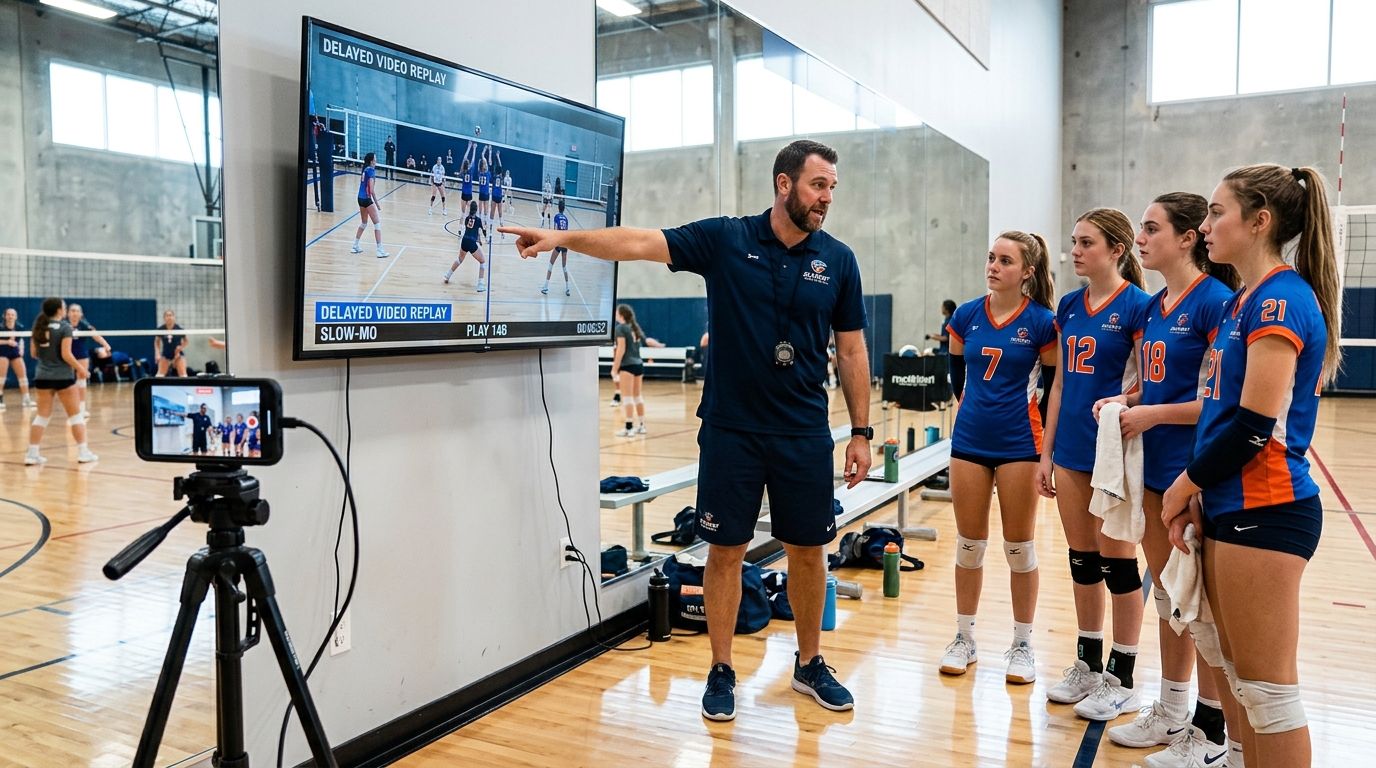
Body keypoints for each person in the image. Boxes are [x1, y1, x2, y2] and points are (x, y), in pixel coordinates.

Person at [502, 139, 872, 723]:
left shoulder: (839, 261)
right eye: (817, 185)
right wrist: (562, 238)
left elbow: (851, 351)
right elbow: (639, 243)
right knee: (725, 552)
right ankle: (721, 669)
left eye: (832, 187)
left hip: (802, 431)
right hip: (730, 430)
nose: (827, 197)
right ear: (784, 184)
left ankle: (809, 663)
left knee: (809, 552)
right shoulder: (726, 239)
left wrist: (862, 431)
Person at [1159, 166, 1340, 768]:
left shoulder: (1280, 299)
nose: (1206, 225)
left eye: (1217, 212)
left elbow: (1254, 426)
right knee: (1240, 681)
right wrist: (1199, 493)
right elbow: (1219, 414)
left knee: (1269, 696)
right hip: (1229, 502)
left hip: (1268, 506)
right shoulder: (1242, 299)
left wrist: (1184, 483)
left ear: (1260, 221)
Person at [1093, 193, 1240, 764]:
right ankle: (1173, 710)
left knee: (1198, 607)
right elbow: (1153, 383)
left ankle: (1210, 727)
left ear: (1186, 238)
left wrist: (1151, 415)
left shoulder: (1215, 303)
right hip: (1152, 471)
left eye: (1152, 229)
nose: (1141, 239)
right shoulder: (1156, 306)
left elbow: (1220, 401)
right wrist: (1125, 401)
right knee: (1168, 598)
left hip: (1193, 474)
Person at [1035, 207, 1150, 721]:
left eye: (1087, 243)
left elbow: (1148, 384)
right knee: (1082, 560)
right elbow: (1059, 385)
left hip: (1114, 454)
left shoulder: (1139, 306)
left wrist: (1123, 404)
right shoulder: (1068, 304)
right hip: (1070, 452)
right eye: (1075, 241)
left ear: (1116, 250)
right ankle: (1087, 663)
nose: (1075, 251)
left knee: (1118, 564)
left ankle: (1121, 678)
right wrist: (1046, 453)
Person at [938, 232, 1058, 686]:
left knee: (1019, 548)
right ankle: (964, 637)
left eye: (1005, 260)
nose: (993, 266)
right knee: (969, 545)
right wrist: (975, 410)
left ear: (1027, 271)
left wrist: (1044, 446)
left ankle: (1023, 644)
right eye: (991, 257)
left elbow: (1052, 389)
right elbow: (957, 376)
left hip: (1020, 444)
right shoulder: (966, 315)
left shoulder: (1042, 322)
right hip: (969, 441)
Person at [24, 297, 97, 465]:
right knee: (76, 416)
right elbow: (66, 354)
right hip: (63, 377)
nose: (65, 310)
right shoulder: (65, 327)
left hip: (42, 376)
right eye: (64, 308)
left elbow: (34, 354)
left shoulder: (38, 327)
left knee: (42, 416)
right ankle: (83, 452)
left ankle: (32, 454)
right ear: (59, 310)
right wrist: (81, 369)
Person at [66, 303, 110, 416]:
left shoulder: (84, 324)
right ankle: (71, 408)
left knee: (82, 381)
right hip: (67, 355)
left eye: (77, 311)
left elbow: (95, 335)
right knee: (68, 382)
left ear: (81, 314)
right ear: (68, 313)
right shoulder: (64, 325)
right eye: (73, 311)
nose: (75, 313)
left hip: (81, 355)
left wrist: (106, 345)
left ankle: (81, 408)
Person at [611, 304, 646, 436]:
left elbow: (621, 349)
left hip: (627, 365)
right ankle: (641, 425)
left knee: (627, 397)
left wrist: (615, 368)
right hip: (638, 364)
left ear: (621, 315)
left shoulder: (621, 328)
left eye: (617, 313)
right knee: (638, 396)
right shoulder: (634, 328)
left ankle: (629, 427)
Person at [444, 201, 488, 292]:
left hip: (464, 241)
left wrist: (479, 240)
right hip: (471, 243)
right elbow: (483, 230)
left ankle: (448, 275)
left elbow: (473, 230)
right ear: (476, 210)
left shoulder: (467, 219)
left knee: (459, 260)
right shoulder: (478, 220)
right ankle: (480, 284)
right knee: (482, 261)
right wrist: (486, 237)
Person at [351, 152, 388, 259]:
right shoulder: (371, 170)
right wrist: (377, 203)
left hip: (360, 198)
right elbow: (371, 190)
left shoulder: (365, 169)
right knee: (377, 224)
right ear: (371, 161)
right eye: (375, 159)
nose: (376, 161)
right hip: (367, 200)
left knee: (364, 223)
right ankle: (379, 250)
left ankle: (355, 246)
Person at [1, 307, 34, 410]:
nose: (10, 316)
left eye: (12, 315)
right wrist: (7, 342)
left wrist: (21, 349)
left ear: (16, 316)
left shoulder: (20, 327)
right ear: (4, 316)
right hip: (2, 352)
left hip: (15, 353)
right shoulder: (1, 327)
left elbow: (21, 339)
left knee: (23, 375)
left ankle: (26, 398)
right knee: (1, 376)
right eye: (8, 314)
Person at [542, 200, 572, 296]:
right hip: (565, 242)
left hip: (559, 242)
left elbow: (555, 231)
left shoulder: (556, 217)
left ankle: (546, 287)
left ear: (558, 207)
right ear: (564, 208)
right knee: (564, 266)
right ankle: (567, 288)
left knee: (551, 264)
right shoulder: (566, 219)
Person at [155, 310, 189, 377]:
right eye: (167, 315)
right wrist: (157, 353)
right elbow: (156, 342)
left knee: (183, 375)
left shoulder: (179, 329)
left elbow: (186, 341)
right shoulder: (161, 329)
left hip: (177, 354)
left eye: (170, 315)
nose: (169, 317)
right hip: (166, 354)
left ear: (174, 317)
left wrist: (180, 348)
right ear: (164, 318)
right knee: (159, 375)